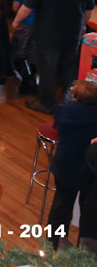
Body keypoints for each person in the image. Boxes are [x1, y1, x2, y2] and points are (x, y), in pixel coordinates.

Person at [13, 0, 95, 114]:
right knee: (69, 70)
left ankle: (46, 103)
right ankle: (70, 102)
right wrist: (82, 25)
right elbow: (88, 10)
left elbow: (26, 8)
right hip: (72, 35)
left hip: (47, 36)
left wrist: (16, 21)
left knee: (47, 71)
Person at [47, 81, 97, 245]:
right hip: (87, 171)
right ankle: (83, 252)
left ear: (74, 97)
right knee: (87, 215)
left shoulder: (64, 114)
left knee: (60, 208)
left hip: (64, 168)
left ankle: (53, 245)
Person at [11, 0, 47, 93]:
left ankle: (27, 78)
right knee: (36, 51)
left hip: (24, 24)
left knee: (21, 52)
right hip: (43, 25)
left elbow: (15, 7)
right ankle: (36, 74)